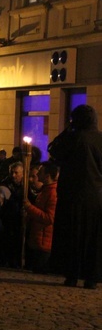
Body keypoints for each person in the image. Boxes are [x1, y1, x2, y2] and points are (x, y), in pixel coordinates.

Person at [48, 104, 102, 289]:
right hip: (96, 196)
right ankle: (91, 277)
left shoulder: (74, 138)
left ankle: (72, 274)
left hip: (73, 194)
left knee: (73, 236)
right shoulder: (100, 139)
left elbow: (54, 150)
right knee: (94, 238)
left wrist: (68, 130)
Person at [23, 161, 58, 274]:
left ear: (47, 176)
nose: (38, 175)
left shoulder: (53, 193)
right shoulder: (44, 191)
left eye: (41, 172)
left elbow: (49, 218)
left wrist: (29, 207)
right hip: (37, 241)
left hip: (44, 242)